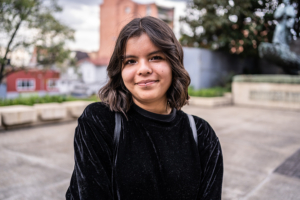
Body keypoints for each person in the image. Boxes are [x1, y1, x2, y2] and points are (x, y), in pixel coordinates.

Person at [66, 16, 223, 200]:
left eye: (155, 57)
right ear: (120, 70)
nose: (143, 69)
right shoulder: (99, 122)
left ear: (173, 64)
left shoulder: (201, 134)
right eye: (131, 61)